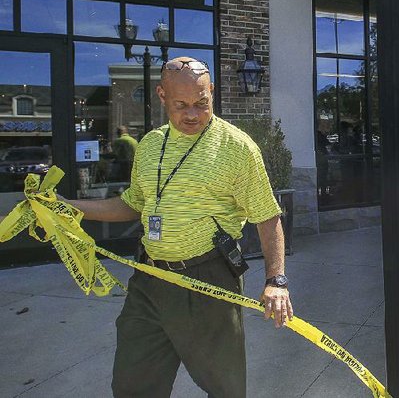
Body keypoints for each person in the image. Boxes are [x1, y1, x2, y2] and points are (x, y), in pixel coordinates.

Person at [62, 57, 291, 397]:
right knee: (132, 384)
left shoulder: (237, 148)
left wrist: (276, 281)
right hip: (149, 278)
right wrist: (73, 209)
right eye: (181, 105)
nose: (193, 115)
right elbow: (133, 205)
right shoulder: (151, 144)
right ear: (162, 95)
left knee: (224, 388)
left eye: (202, 103)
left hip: (208, 279)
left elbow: (267, 216)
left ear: (212, 91)